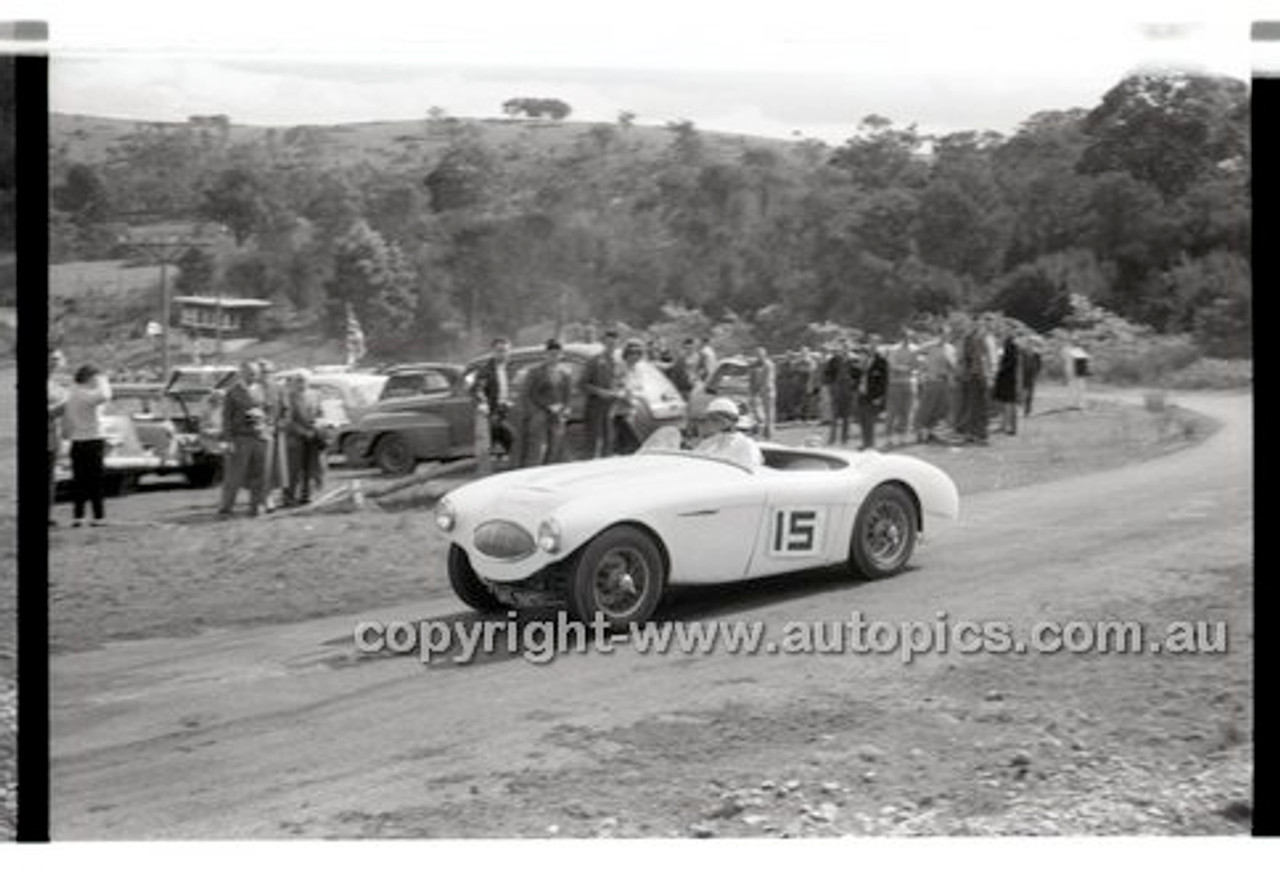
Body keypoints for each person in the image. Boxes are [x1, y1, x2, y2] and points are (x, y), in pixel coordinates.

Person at [62, 363, 112, 526]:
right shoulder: (84, 394)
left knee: (79, 481)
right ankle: (98, 517)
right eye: (94, 378)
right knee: (95, 481)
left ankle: (79, 516)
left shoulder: (72, 393)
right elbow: (105, 395)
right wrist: (103, 379)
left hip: (77, 441)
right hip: (92, 440)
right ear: (89, 378)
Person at [218, 360, 270, 516]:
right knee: (234, 475)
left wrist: (263, 418)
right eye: (250, 373)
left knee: (259, 474)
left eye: (255, 373)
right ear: (242, 373)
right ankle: (226, 507)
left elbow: (267, 409)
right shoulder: (233, 391)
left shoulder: (261, 389)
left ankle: (256, 506)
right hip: (240, 438)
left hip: (259, 437)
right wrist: (228, 440)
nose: (254, 376)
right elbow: (226, 418)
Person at [519, 339, 573, 467]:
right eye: (551, 354)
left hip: (557, 415)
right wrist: (535, 412)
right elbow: (526, 394)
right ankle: (531, 475)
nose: (554, 357)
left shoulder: (565, 373)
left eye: (557, 354)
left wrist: (565, 410)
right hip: (539, 415)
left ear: (561, 355)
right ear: (546, 354)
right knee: (537, 450)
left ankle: (547, 475)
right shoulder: (535, 371)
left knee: (554, 448)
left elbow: (567, 395)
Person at [471, 337, 517, 461]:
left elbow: (511, 387)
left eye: (506, 351)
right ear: (493, 351)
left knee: (507, 444)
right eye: (499, 350)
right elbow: (478, 389)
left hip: (507, 411)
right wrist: (483, 403)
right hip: (492, 412)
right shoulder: (486, 370)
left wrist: (510, 400)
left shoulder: (509, 368)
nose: (503, 354)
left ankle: (501, 462)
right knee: (508, 439)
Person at [283, 374, 324, 505]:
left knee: (311, 468)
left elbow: (321, 413)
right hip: (295, 438)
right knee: (293, 470)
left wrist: (318, 424)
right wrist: (303, 432)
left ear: (308, 382)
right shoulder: (288, 397)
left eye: (304, 381)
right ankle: (289, 498)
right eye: (298, 381)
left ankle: (306, 495)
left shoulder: (315, 395)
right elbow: (288, 420)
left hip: (313, 437)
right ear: (293, 383)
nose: (301, 384)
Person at [581, 329, 622, 458]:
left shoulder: (618, 363)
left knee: (609, 440)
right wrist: (599, 392)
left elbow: (621, 382)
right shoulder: (594, 361)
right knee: (594, 441)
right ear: (604, 343)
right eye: (609, 343)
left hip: (612, 406)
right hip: (595, 405)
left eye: (614, 344)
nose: (611, 346)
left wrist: (619, 392)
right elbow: (582, 383)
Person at [694, 397, 763, 469]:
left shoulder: (746, 444)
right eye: (710, 419)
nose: (710, 424)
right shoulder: (706, 444)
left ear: (732, 421)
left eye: (716, 420)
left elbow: (750, 470)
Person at [914, 334, 954, 444]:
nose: (945, 337)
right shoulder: (930, 346)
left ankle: (931, 432)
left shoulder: (949, 348)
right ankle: (921, 434)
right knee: (926, 408)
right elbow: (916, 352)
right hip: (931, 382)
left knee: (941, 409)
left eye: (947, 334)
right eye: (942, 334)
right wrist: (922, 368)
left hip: (944, 382)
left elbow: (953, 365)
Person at [884, 328, 919, 448]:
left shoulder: (915, 349)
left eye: (909, 337)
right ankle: (889, 438)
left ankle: (903, 437)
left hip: (909, 383)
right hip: (895, 383)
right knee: (892, 412)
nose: (907, 339)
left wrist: (904, 368)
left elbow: (916, 365)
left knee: (907, 411)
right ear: (901, 337)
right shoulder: (894, 349)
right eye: (905, 337)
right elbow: (892, 366)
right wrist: (907, 368)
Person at [612, 338, 648, 454]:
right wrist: (625, 396)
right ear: (627, 353)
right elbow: (614, 388)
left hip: (633, 412)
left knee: (624, 446)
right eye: (633, 352)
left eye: (639, 353)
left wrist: (638, 397)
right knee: (634, 444)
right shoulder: (620, 367)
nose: (636, 355)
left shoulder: (638, 369)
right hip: (619, 412)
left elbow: (640, 389)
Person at [956, 319, 989, 445]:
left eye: (978, 325)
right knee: (974, 407)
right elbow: (965, 359)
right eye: (974, 325)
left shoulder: (978, 338)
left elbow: (983, 358)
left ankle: (976, 435)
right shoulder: (970, 339)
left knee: (978, 407)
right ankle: (974, 435)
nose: (977, 327)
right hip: (972, 377)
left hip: (977, 377)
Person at [854, 337, 888, 451]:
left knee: (870, 421)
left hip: (873, 396)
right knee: (862, 420)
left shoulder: (882, 361)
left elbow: (884, 381)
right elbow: (858, 376)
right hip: (861, 394)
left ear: (878, 345)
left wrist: (879, 397)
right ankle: (865, 443)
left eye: (875, 343)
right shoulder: (864, 359)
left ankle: (871, 445)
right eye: (871, 343)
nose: (872, 346)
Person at [47, 348, 69, 527]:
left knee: (50, 478)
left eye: (58, 359)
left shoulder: (56, 384)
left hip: (53, 437)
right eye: (53, 358)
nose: (56, 362)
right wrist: (64, 405)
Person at [822, 339, 856, 445]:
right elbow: (827, 374)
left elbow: (859, 375)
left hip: (849, 390)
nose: (845, 349)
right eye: (843, 347)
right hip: (837, 389)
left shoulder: (854, 359)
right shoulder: (834, 360)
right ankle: (832, 439)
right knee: (834, 416)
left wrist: (854, 385)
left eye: (847, 347)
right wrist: (830, 386)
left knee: (847, 416)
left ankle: (845, 439)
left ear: (849, 348)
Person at [993, 335, 1022, 435]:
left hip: (1006, 381)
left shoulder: (1009, 350)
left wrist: (998, 370)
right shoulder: (1015, 351)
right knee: (1009, 404)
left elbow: (1006, 366)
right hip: (1010, 381)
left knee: (1008, 404)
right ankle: (1008, 426)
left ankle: (1008, 427)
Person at [747, 346, 777, 440]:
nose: (758, 356)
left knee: (769, 412)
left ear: (764, 354)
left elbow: (768, 379)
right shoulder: (754, 365)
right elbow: (751, 378)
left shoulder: (768, 364)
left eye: (760, 354)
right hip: (757, 390)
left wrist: (761, 388)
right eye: (757, 354)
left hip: (767, 390)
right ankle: (759, 429)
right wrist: (752, 390)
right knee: (756, 410)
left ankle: (769, 432)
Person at [1063, 335, 1090, 410]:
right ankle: (1070, 404)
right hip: (1071, 371)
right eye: (1073, 340)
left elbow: (1085, 358)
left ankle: (1080, 404)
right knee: (1071, 388)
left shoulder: (1079, 349)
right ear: (1070, 341)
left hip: (1080, 371)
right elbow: (1067, 357)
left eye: (1076, 340)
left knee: (1081, 388)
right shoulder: (1066, 349)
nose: (1075, 342)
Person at [796, 345, 820, 422]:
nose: (803, 353)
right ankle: (802, 416)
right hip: (800, 382)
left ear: (808, 352)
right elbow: (796, 370)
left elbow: (812, 371)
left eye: (805, 352)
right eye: (802, 352)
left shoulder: (811, 361)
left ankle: (808, 416)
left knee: (808, 400)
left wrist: (811, 383)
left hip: (808, 381)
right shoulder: (799, 361)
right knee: (801, 400)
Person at [1020, 337, 1043, 417]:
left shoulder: (1036, 354)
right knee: (1022, 393)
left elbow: (1039, 364)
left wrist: (1037, 373)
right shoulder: (1021, 352)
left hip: (1031, 375)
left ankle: (1027, 410)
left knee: (1030, 393)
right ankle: (1021, 408)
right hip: (1022, 375)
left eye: (1032, 343)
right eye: (1028, 343)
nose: (1030, 345)